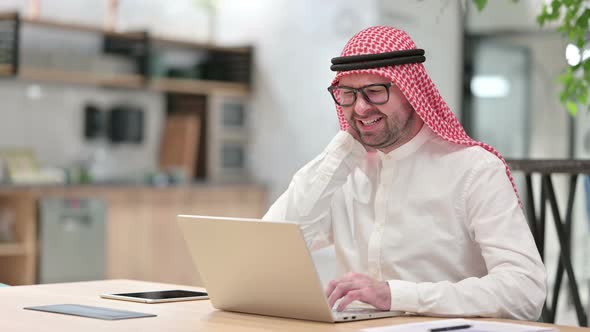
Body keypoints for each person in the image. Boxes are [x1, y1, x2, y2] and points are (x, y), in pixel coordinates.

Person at [263, 26, 546, 320]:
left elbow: (525, 292)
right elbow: (269, 245)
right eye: (347, 94)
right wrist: (343, 149)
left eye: (374, 92)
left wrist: (395, 295)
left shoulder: (475, 170)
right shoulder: (344, 170)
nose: (360, 107)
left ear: (412, 91)